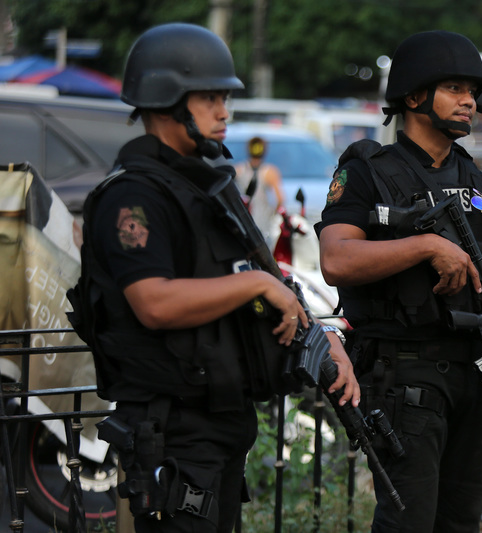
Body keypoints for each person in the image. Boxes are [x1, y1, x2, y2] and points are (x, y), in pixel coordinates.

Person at [70, 22, 358, 533]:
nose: (224, 110)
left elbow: (262, 275)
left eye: (224, 96)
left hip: (223, 420)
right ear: (165, 100)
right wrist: (258, 287)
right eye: (208, 98)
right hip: (173, 427)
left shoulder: (210, 187)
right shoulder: (133, 197)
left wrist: (319, 336)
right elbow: (153, 302)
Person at [315, 30, 482, 533]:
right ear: (414, 96)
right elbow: (337, 259)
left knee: (461, 525)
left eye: (472, 91)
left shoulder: (480, 183)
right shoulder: (369, 171)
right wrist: (426, 246)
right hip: (407, 380)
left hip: (477, 377)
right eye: (455, 88)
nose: (470, 101)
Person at [233, 136, 285, 247]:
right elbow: (280, 199)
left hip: (243, 218)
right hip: (263, 220)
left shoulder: (238, 169)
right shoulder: (270, 171)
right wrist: (273, 214)